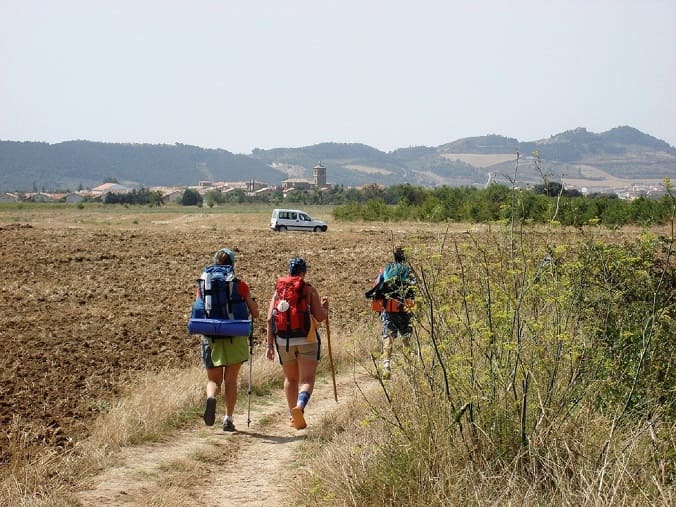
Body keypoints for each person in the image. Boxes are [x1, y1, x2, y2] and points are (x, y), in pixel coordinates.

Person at [199, 248, 259, 432]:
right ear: (232, 264)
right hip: (235, 335)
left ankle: (211, 397)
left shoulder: (204, 283)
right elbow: (255, 313)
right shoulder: (239, 285)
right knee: (231, 380)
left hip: (212, 337)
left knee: (214, 380)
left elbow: (201, 308)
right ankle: (228, 419)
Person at [266, 257, 329, 429]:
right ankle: (299, 407)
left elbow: (270, 318)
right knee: (307, 380)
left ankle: (292, 416)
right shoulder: (308, 289)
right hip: (307, 339)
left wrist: (269, 345)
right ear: (304, 272)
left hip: (283, 340)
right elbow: (319, 317)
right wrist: (325, 308)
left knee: (290, 378)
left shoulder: (279, 291)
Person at [365, 247, 416, 379]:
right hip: (404, 309)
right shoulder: (408, 270)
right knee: (406, 338)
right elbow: (415, 287)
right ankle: (410, 369)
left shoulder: (386, 269)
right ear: (405, 257)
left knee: (388, 338)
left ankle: (386, 366)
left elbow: (377, 285)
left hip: (388, 309)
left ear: (394, 257)